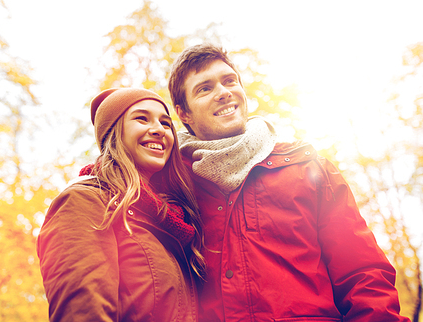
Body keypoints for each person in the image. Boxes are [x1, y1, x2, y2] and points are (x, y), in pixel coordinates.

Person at [168, 43, 410, 322]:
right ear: (183, 113)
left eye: (229, 81)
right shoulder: (173, 185)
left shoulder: (308, 166)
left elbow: (363, 274)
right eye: (205, 88)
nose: (223, 93)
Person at [36, 88, 205, 321]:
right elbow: (83, 314)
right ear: (114, 133)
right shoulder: (85, 202)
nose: (158, 129)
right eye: (141, 118)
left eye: (166, 123)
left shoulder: (177, 221)